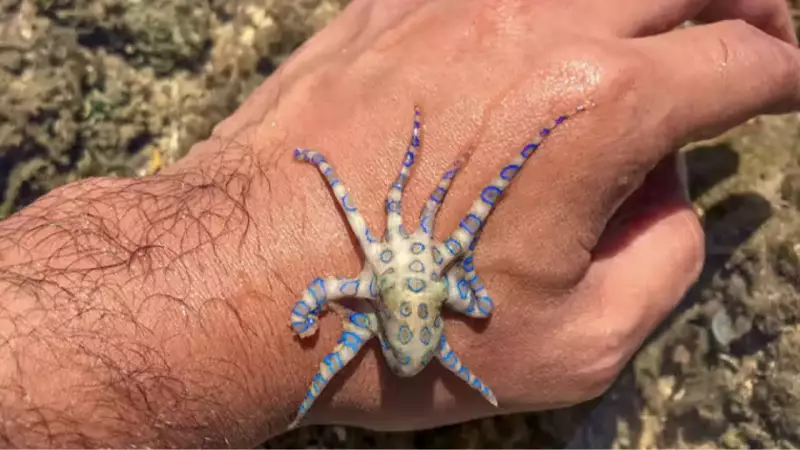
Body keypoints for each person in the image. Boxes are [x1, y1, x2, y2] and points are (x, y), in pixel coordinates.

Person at [0, 0, 797, 446]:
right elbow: (463, 244)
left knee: (408, 224)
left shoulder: (383, 275)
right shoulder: (426, 273)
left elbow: (360, 233)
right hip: (417, 333)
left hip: (406, 328)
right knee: (468, 206)